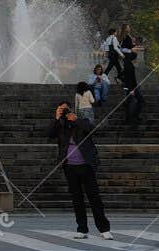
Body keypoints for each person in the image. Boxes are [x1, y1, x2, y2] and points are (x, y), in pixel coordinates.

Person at [48, 102, 112, 240]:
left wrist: (76, 120)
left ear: (72, 109)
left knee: (94, 197)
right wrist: (57, 118)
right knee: (77, 198)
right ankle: (82, 229)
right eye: (61, 109)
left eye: (66, 109)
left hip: (86, 165)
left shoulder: (82, 121)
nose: (64, 111)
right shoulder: (60, 124)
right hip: (70, 166)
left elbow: (92, 129)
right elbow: (49, 134)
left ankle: (104, 229)